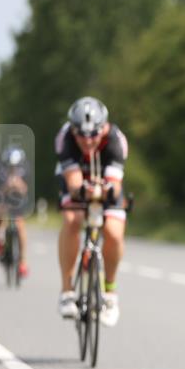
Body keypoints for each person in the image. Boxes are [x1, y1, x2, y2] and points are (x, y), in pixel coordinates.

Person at [55, 97, 128, 327]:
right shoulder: (64, 139)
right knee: (72, 218)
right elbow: (74, 183)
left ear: (103, 128)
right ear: (72, 130)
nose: (87, 141)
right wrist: (83, 189)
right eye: (81, 136)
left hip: (105, 181)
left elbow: (114, 186)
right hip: (77, 180)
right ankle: (67, 291)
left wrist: (105, 189)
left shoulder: (116, 140)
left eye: (94, 135)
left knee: (113, 232)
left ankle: (110, 293)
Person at [0, 145, 30, 277]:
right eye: (10, 166)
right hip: (2, 199)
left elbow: (25, 189)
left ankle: (22, 261)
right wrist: (6, 187)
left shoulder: (24, 169)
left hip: (17, 201)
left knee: (20, 226)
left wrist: (17, 184)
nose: (12, 168)